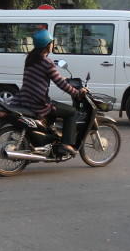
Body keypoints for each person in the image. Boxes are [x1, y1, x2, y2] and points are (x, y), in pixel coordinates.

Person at [14, 28, 88, 157]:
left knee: (55, 112)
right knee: (71, 112)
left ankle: (48, 139)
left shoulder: (30, 58)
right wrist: (77, 93)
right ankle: (65, 145)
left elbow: (45, 76)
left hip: (24, 98)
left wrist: (61, 78)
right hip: (38, 102)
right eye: (52, 42)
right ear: (47, 45)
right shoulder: (46, 62)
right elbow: (61, 84)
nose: (53, 45)